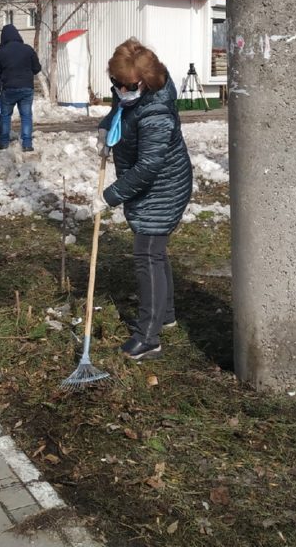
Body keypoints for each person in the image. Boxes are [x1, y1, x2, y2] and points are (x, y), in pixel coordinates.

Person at [95, 39, 192, 361]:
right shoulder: (132, 90)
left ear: (146, 81)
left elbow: (149, 167)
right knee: (155, 252)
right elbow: (120, 109)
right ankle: (166, 314)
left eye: (127, 86)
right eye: (116, 84)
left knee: (147, 255)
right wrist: (106, 129)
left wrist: (110, 196)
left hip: (163, 187)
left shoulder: (157, 113)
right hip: (148, 183)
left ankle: (149, 338)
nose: (121, 90)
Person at [0, 24, 41, 151]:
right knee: (26, 116)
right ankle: (27, 144)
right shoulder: (28, 49)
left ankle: (3, 142)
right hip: (26, 88)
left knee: (6, 116)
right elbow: (37, 68)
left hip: (8, 89)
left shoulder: (0, 52)